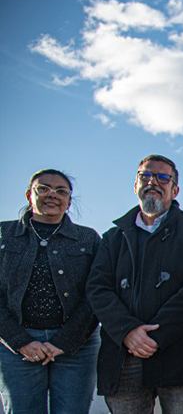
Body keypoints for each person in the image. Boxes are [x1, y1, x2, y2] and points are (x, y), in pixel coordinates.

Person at [87, 155, 183, 413]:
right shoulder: (113, 238)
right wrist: (128, 331)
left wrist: (155, 336)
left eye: (162, 177)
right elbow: (97, 288)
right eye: (145, 176)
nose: (153, 182)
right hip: (123, 357)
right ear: (135, 184)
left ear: (174, 189)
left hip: (181, 357)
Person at [0, 169, 100, 414]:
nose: (52, 195)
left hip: (77, 347)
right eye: (43, 188)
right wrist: (21, 341)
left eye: (61, 191)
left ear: (69, 200)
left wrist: (63, 342)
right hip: (17, 348)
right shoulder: (4, 234)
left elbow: (97, 293)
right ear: (28, 195)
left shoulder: (88, 239)